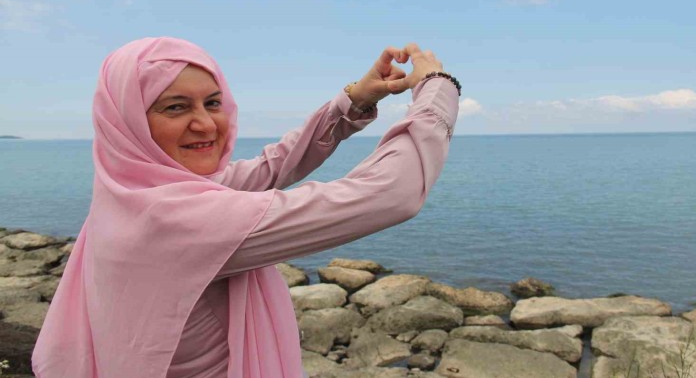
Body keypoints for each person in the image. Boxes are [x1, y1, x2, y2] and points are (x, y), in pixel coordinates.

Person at [32, 37, 460, 378]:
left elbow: (270, 167)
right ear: (128, 121)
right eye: (175, 107)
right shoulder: (174, 219)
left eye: (213, 103)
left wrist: (354, 101)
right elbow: (389, 194)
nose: (205, 123)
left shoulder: (129, 193)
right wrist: (437, 88)